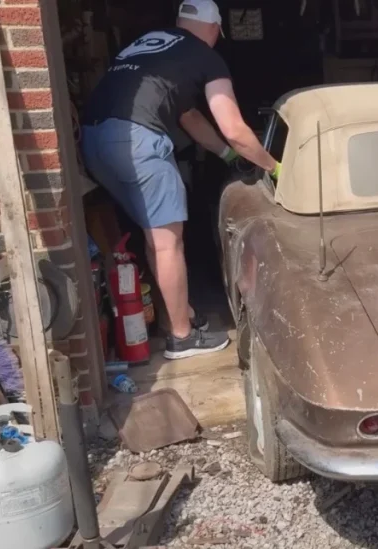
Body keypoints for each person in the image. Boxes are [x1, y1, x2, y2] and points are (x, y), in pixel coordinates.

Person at [80, 0, 279, 360]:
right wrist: (270, 165)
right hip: (138, 142)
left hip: (94, 142)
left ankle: (180, 314)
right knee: (167, 243)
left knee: (156, 237)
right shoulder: (205, 56)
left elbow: (190, 118)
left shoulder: (149, 44)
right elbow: (234, 128)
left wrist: (229, 158)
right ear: (216, 28)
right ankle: (182, 337)